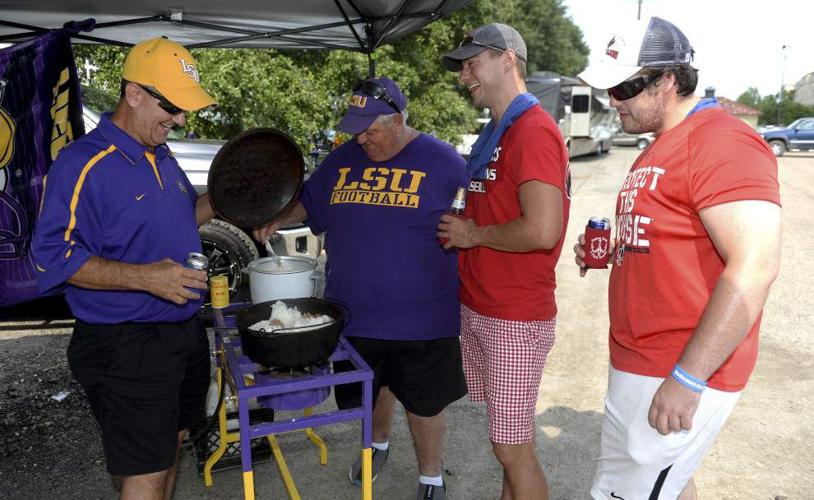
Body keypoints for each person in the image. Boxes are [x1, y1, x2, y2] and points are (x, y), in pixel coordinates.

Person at [573, 17, 781, 499]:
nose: (612, 99)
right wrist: (616, 248)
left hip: (676, 365)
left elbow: (755, 267)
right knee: (668, 485)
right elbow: (673, 238)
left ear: (667, 81)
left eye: (624, 86)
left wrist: (688, 378)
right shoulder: (658, 147)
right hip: (641, 359)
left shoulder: (722, 140)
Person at [254, 77, 468, 500]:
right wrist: (279, 215)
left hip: (423, 317)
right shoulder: (343, 159)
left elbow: (476, 223)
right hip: (354, 310)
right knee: (371, 391)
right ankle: (376, 446)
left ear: (400, 121)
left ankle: (430, 476)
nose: (362, 138)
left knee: (425, 404)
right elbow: (309, 202)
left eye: (372, 129)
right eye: (357, 129)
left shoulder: (445, 163)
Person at [32, 37, 218, 500]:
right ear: (134, 93)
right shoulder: (82, 164)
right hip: (126, 343)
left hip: (181, 334)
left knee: (171, 446)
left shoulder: (162, 154)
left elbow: (180, 217)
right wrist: (145, 278)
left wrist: (227, 198)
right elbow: (51, 256)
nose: (179, 120)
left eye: (184, 109)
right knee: (144, 471)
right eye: (172, 107)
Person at [439, 23, 571, 500]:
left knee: (512, 448)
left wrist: (472, 234)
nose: (463, 76)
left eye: (472, 63)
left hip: (512, 315)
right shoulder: (498, 130)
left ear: (508, 60)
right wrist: (465, 223)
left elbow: (542, 229)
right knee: (507, 445)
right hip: (482, 305)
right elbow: (496, 207)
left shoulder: (533, 130)